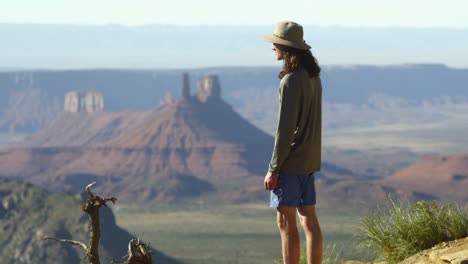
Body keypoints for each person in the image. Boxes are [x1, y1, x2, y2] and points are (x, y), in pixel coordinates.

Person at [263, 21, 323, 264]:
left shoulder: (289, 81)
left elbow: (285, 130)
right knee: (308, 218)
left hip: (291, 161)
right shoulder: (312, 77)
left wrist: (274, 168)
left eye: (276, 44)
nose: (273, 48)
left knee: (285, 221)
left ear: (286, 48)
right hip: (309, 159)